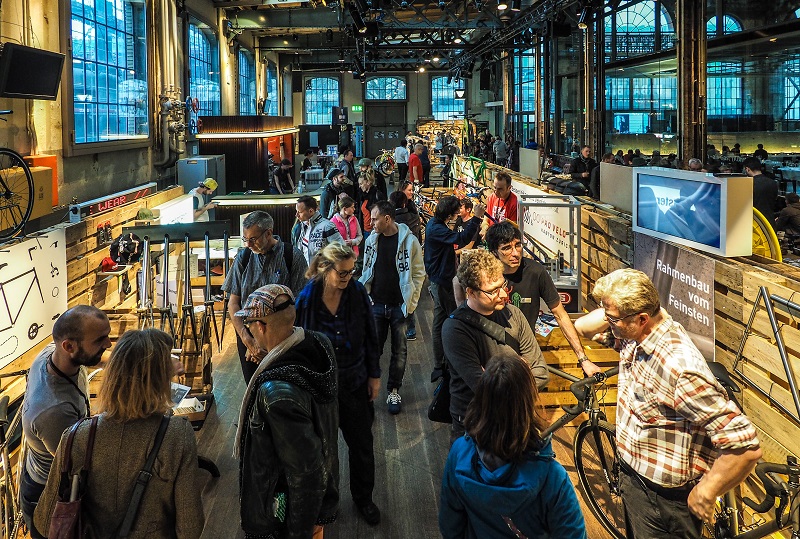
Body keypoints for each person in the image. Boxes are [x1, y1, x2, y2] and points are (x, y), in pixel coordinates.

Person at [575, 269, 762, 537]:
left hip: (663, 503)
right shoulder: (635, 337)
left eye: (612, 319)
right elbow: (583, 328)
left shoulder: (678, 368)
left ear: (641, 318)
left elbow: (745, 446)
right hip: (635, 479)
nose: (607, 323)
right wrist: (609, 306)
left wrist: (706, 491)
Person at [34, 328, 204, 539]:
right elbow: (190, 527)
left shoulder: (76, 435)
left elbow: (44, 520)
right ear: (158, 381)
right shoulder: (177, 435)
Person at [439, 352, 586, 539]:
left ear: (482, 398)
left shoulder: (459, 453)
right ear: (529, 401)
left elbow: (450, 526)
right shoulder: (553, 477)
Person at [233, 284, 339, 539]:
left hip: (285, 515)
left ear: (261, 326)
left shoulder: (276, 393)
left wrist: (298, 532)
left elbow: (306, 475)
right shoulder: (319, 344)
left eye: (249, 326)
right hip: (317, 503)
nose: (249, 333)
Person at [294, 242, 382, 526]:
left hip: (355, 381)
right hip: (320, 388)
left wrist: (374, 375)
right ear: (324, 268)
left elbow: (371, 334)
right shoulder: (307, 299)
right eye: (342, 273)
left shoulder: (356, 293)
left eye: (351, 272)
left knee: (361, 445)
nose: (347, 278)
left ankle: (363, 499)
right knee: (323, 450)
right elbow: (298, 343)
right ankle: (325, 502)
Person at [21, 306, 112, 539]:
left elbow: (99, 358)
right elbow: (81, 464)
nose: (108, 344)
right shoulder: (55, 410)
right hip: (49, 496)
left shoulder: (53, 354)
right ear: (69, 346)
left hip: (52, 474)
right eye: (101, 340)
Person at [443, 250, 548, 442]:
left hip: (516, 422)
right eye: (492, 291)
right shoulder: (455, 329)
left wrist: (495, 378)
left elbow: (541, 372)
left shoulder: (514, 314)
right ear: (471, 292)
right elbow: (482, 388)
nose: (502, 295)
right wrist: (522, 370)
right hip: (475, 426)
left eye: (503, 286)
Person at [453, 221, 588, 361]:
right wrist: (464, 311)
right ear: (494, 252)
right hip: (491, 347)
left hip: (525, 347)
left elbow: (560, 314)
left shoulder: (536, 271)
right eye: (506, 248)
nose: (515, 253)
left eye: (518, 245)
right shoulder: (486, 273)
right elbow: (457, 280)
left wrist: (583, 358)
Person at [225, 210, 309, 383]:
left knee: (281, 388)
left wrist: (272, 345)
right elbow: (233, 303)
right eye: (245, 239)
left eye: (253, 239)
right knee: (254, 387)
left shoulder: (292, 256)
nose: (248, 244)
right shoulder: (244, 257)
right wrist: (248, 340)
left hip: (282, 340)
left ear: (269, 233)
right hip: (248, 336)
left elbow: (300, 305)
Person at [359, 201, 425, 414]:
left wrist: (411, 302)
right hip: (376, 304)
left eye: (375, 218)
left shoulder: (409, 241)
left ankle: (393, 390)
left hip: (400, 307)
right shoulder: (371, 240)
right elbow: (367, 268)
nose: (371, 222)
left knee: (400, 351)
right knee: (373, 349)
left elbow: (418, 273)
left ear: (387, 218)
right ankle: (367, 390)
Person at [425, 196, 486, 382]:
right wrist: (476, 218)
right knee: (456, 320)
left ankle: (440, 365)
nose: (458, 213)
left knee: (440, 321)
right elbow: (460, 239)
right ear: (450, 213)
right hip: (441, 282)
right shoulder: (436, 228)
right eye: (456, 211)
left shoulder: (435, 224)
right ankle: (455, 366)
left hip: (439, 280)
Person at [292, 195, 344, 265]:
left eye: (299, 212)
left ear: (311, 211)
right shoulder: (299, 227)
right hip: (306, 273)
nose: (296, 215)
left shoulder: (327, 226)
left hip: (323, 273)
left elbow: (341, 249)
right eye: (296, 211)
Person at [743, 156, 779, 223]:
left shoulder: (748, 184)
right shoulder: (773, 182)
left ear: (747, 169)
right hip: (769, 220)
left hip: (754, 221)